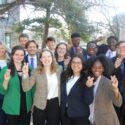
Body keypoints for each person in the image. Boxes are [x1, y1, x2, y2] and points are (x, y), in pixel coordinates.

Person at [22, 49, 62, 125]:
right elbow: (26, 88)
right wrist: (25, 74)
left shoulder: (59, 69)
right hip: (39, 103)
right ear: (40, 59)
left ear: (52, 58)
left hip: (55, 103)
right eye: (44, 57)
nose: (46, 59)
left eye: (48, 56)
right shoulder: (36, 71)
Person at [0, 45, 33, 125]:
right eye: (16, 55)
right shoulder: (5, 70)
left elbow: (32, 87)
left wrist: (33, 103)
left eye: (21, 55)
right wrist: (6, 80)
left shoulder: (28, 67)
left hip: (26, 105)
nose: (19, 57)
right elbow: (3, 91)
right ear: (12, 55)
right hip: (12, 106)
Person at [87, 55, 122, 125]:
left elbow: (118, 103)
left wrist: (115, 89)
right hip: (92, 120)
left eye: (100, 67)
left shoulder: (107, 82)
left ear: (103, 69)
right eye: (94, 67)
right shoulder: (88, 81)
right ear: (91, 68)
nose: (97, 69)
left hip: (106, 121)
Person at [61, 55, 93, 125]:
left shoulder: (87, 78)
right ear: (70, 63)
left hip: (80, 116)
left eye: (79, 63)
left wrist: (89, 88)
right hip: (65, 114)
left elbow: (88, 101)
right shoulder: (64, 75)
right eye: (74, 62)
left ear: (83, 65)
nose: (76, 65)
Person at [112, 41, 125, 125]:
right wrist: (115, 68)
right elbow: (107, 76)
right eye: (119, 47)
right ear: (116, 49)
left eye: (123, 47)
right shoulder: (110, 60)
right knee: (115, 118)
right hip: (115, 94)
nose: (121, 49)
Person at [0, 42, 9, 125]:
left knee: (9, 116)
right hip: (0, 94)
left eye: (2, 48)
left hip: (9, 92)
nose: (1, 50)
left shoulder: (10, 61)